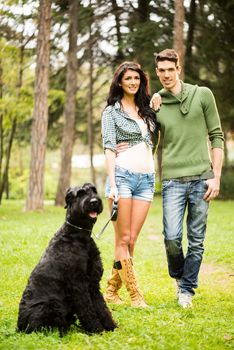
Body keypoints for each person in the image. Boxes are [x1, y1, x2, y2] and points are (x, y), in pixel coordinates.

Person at [152, 49, 224, 308]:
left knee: (196, 240)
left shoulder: (202, 94)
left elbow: (217, 136)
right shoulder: (156, 103)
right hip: (172, 180)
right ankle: (180, 278)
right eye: (161, 70)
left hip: (202, 179)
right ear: (157, 72)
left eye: (171, 69)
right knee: (171, 237)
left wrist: (215, 176)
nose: (166, 74)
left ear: (179, 69)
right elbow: (146, 137)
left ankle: (187, 290)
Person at [101, 62, 159, 307]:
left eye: (136, 78)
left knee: (131, 240)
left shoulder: (146, 109)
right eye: (128, 79)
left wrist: (155, 104)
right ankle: (136, 295)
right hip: (122, 178)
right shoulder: (111, 113)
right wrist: (112, 185)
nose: (133, 82)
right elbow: (109, 148)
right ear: (120, 82)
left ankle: (111, 291)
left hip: (146, 180)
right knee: (123, 238)